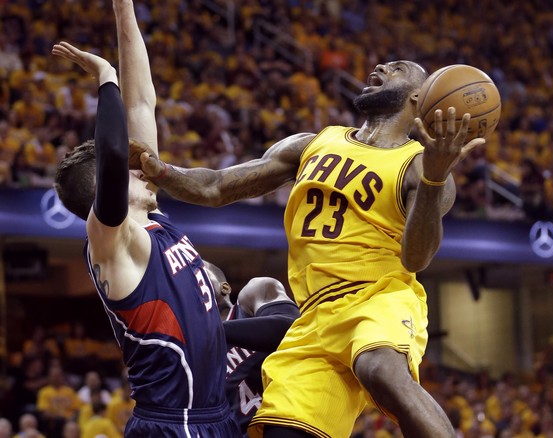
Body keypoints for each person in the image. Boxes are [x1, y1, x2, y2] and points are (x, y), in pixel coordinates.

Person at [130, 59, 485, 437]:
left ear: (419, 96)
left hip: (378, 297)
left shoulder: (419, 166)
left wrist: (433, 178)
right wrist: (162, 172)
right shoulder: (314, 143)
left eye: (397, 68)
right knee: (283, 431)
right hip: (314, 316)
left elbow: (416, 258)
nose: (381, 65)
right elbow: (216, 186)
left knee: (379, 367)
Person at [51, 1, 239, 436]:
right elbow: (117, 151)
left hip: (213, 416)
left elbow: (140, 103)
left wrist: (123, 10)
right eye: (129, 172)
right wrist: (105, 76)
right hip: (173, 425)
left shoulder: (153, 218)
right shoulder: (112, 240)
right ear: (107, 188)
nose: (143, 168)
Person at [203, 262, 299, 436]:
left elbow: (295, 329)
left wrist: (211, 330)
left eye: (195, 273)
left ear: (224, 287)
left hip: (289, 422)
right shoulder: (191, 356)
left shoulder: (254, 294)